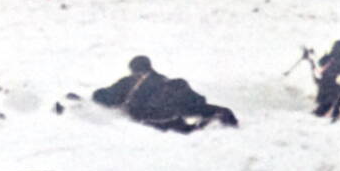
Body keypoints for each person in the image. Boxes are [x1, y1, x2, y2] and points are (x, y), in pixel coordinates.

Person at [93, 55, 237, 130]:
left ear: (133, 69)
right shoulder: (163, 79)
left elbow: (106, 98)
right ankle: (220, 119)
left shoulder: (129, 82)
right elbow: (198, 100)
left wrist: (95, 95)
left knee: (172, 122)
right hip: (181, 105)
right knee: (207, 110)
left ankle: (196, 127)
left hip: (158, 114)